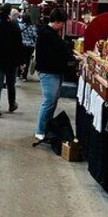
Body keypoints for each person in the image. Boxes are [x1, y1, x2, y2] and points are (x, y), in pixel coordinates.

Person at [34, 8, 72, 142]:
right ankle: (40, 130)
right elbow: (58, 51)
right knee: (49, 102)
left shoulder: (49, 33)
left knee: (52, 102)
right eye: (62, 23)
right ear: (56, 21)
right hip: (48, 72)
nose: (62, 26)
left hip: (53, 71)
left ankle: (46, 129)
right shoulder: (47, 35)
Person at [0, 3, 23, 118]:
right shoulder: (14, 26)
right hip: (11, 60)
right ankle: (11, 104)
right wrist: (20, 60)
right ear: (9, 13)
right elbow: (19, 44)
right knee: (11, 84)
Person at [19, 14, 37, 80]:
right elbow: (35, 36)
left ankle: (21, 73)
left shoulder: (20, 26)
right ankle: (24, 76)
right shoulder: (32, 27)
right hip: (30, 46)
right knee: (27, 60)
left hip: (22, 45)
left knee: (21, 60)